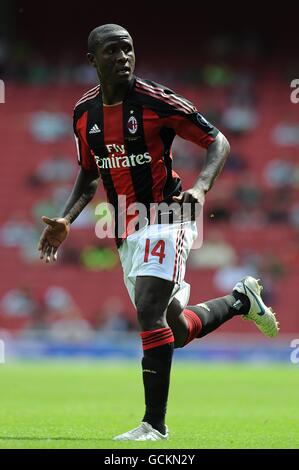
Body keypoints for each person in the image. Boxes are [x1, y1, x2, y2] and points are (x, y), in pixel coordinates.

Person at [37, 24, 279, 441]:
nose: (123, 57)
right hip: (124, 228)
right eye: (112, 51)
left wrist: (201, 188)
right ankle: (241, 300)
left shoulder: (155, 100)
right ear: (93, 60)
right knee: (176, 329)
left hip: (170, 215)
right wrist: (65, 219)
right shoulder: (84, 114)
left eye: (128, 49)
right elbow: (88, 174)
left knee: (148, 310)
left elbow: (216, 141)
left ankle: (154, 425)